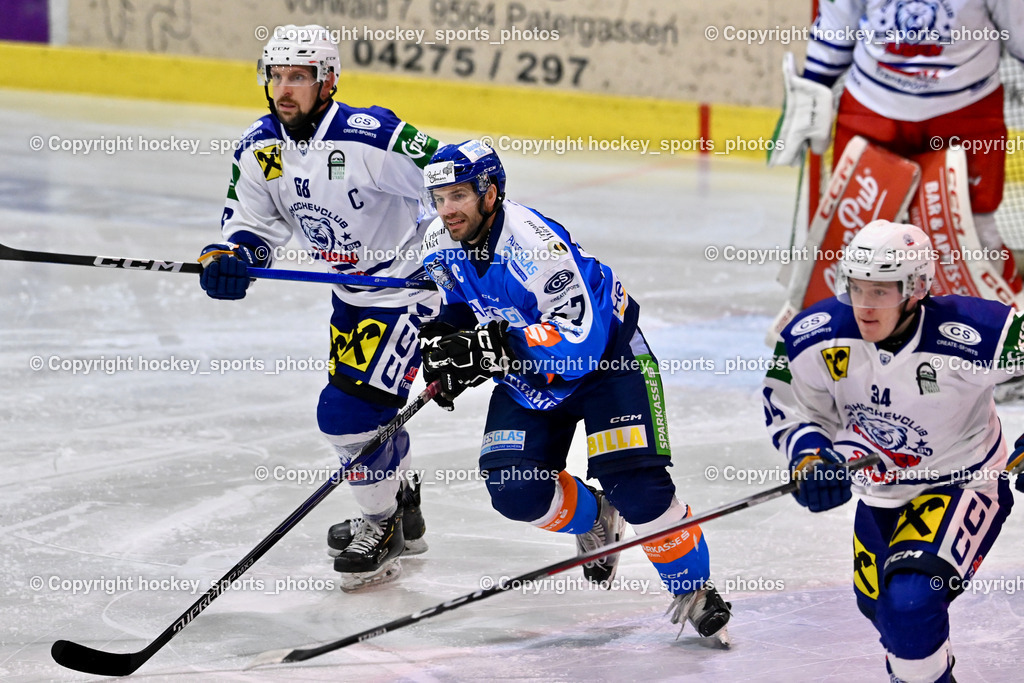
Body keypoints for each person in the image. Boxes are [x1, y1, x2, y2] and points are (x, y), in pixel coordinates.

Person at [415, 139, 732, 643]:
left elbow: (581, 346)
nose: (447, 209)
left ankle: (693, 589)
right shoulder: (439, 240)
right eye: (439, 198)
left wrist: (496, 345)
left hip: (608, 362)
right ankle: (596, 515)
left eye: (458, 195)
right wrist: (447, 349)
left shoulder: (535, 247)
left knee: (640, 490)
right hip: (533, 375)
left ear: (490, 193)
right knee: (514, 489)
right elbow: (454, 308)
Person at [197, 24, 442, 591]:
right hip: (352, 299)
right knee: (369, 415)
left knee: (346, 414)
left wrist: (439, 259)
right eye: (276, 76)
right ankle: (401, 503)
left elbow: (450, 187)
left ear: (327, 82)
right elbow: (253, 224)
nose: (284, 89)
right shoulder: (261, 147)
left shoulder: (369, 135)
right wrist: (235, 257)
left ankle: (381, 525)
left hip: (409, 294)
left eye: (299, 77)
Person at [763, 219, 1024, 681]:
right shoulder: (812, 334)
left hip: (963, 482)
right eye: (857, 287)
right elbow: (794, 408)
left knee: (910, 602)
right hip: (881, 494)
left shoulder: (976, 331)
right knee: (885, 614)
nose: (864, 304)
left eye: (881, 291)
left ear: (918, 288)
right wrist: (809, 458)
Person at [768, 0, 1024, 288]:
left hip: (966, 111)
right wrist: (812, 91)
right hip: (871, 107)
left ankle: (999, 326)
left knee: (972, 237)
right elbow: (837, 24)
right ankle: (854, 325)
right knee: (857, 236)